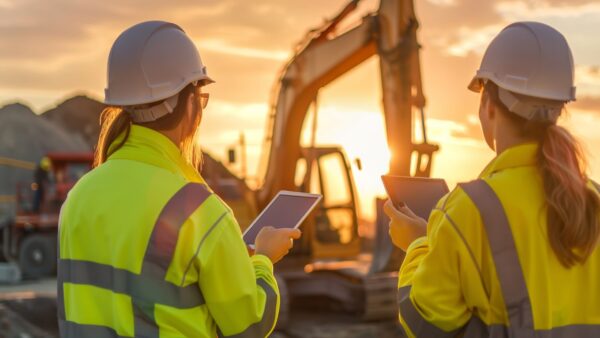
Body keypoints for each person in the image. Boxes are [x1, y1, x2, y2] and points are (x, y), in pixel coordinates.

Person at [57, 21, 301, 338]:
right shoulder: (198, 211)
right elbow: (250, 324)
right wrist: (264, 259)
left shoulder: (78, 198)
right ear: (190, 105)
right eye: (201, 97)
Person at [385, 22, 600, 337]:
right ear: (559, 108)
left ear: (488, 105)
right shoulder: (593, 200)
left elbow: (426, 321)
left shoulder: (469, 210)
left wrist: (419, 245)